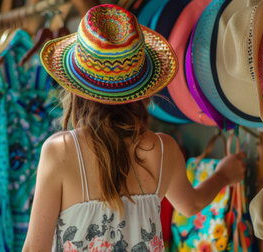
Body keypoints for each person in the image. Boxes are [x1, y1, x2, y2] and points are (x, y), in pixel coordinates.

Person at [23, 4, 245, 251]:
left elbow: (35, 248)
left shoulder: (59, 152)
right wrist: (224, 175)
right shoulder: (163, 150)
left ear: (77, 89)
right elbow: (190, 205)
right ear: (143, 89)